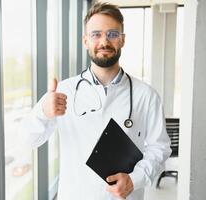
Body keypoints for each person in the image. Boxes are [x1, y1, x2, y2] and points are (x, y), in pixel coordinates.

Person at [20, 2, 171, 200]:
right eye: (96, 34)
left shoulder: (146, 95)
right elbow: (28, 140)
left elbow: (159, 148)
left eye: (112, 34)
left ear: (122, 40)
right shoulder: (64, 91)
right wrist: (42, 112)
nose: (104, 41)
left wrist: (135, 179)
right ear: (85, 41)